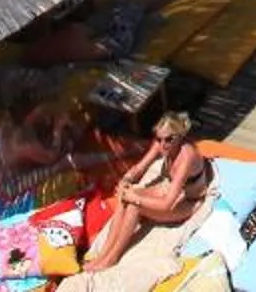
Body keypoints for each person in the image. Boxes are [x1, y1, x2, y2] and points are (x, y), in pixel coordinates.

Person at [83, 110, 210, 267]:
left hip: (188, 202)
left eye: (169, 139)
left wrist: (136, 199)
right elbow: (139, 168)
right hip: (169, 188)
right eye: (159, 139)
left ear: (179, 137)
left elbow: (167, 204)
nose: (163, 145)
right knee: (126, 196)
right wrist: (126, 180)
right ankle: (103, 254)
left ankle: (112, 258)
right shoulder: (161, 145)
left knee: (135, 206)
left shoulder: (186, 157)